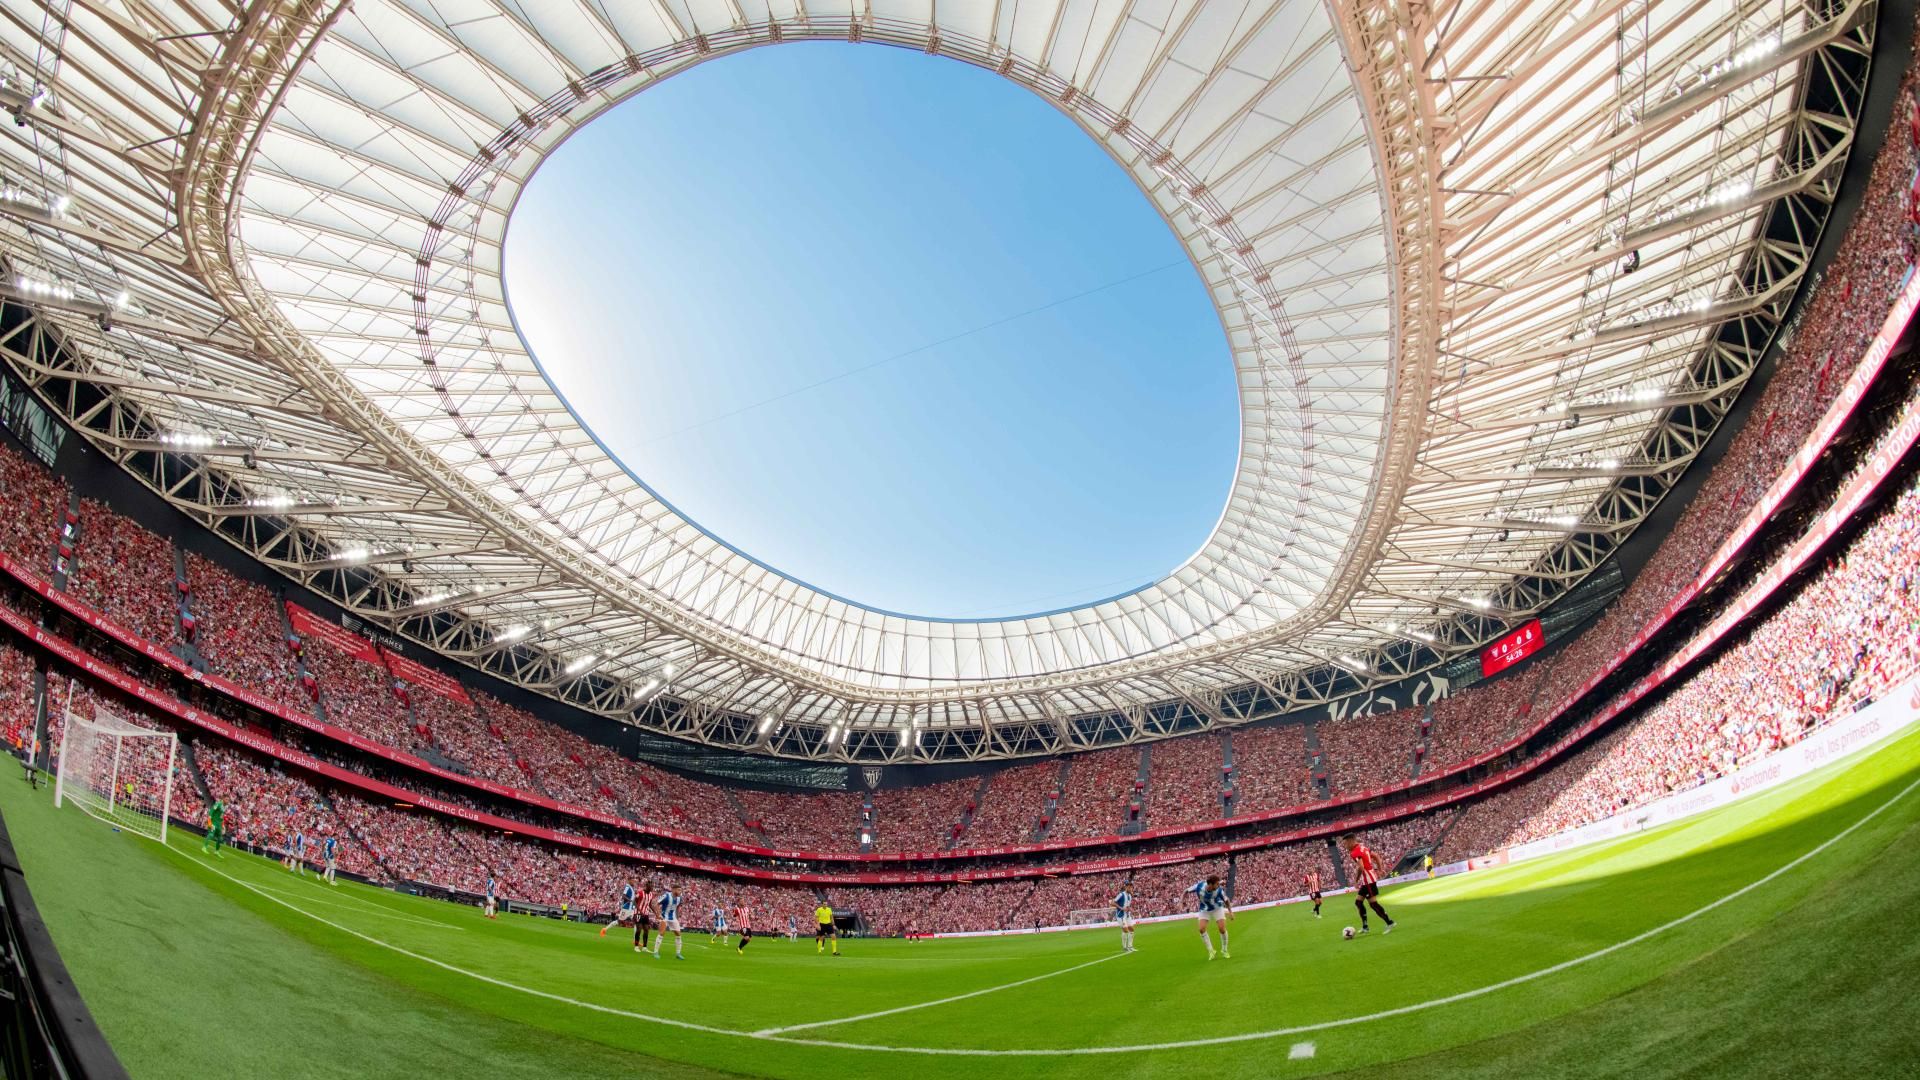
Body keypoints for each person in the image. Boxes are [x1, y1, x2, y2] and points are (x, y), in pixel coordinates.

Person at [1343, 835, 1396, 935]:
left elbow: (1361, 868)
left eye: (1345, 843)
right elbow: (1375, 856)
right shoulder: (1363, 847)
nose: (1345, 846)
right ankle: (1365, 927)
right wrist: (1380, 869)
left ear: (1350, 841)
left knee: (1373, 904)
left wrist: (1356, 880)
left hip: (1368, 881)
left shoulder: (1355, 852)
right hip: (1368, 880)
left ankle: (1390, 922)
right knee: (1358, 902)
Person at [1185, 874, 1233, 959]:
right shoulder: (1199, 886)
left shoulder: (1219, 890)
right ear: (1210, 884)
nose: (1219, 885)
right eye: (1217, 884)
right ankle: (1211, 951)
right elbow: (1186, 890)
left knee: (1222, 929)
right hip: (1204, 909)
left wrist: (1230, 912)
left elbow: (1226, 900)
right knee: (1201, 929)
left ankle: (1224, 950)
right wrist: (1181, 901)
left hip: (1217, 908)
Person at [648, 885, 685, 959]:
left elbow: (678, 907)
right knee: (662, 933)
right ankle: (655, 952)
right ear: (673, 890)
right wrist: (658, 914)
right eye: (678, 890)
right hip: (664, 917)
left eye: (680, 890)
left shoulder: (680, 898)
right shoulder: (666, 896)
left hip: (673, 918)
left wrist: (677, 917)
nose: (680, 892)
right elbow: (656, 904)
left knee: (678, 934)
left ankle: (678, 953)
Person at [630, 879, 657, 951]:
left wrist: (655, 912)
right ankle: (636, 946)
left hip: (646, 914)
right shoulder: (641, 893)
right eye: (650, 886)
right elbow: (634, 901)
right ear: (647, 886)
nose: (651, 887)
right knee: (638, 930)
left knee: (646, 930)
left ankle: (644, 947)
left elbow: (650, 904)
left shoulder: (651, 894)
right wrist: (639, 910)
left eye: (652, 886)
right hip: (638, 913)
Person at [1113, 883, 1137, 953]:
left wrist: (1132, 911)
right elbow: (1112, 903)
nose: (1131, 889)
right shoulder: (1121, 894)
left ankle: (1130, 946)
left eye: (1131, 888)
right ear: (1126, 887)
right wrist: (1121, 908)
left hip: (1127, 915)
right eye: (1129, 887)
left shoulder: (1130, 896)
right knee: (1126, 930)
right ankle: (1124, 947)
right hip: (1121, 915)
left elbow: (1128, 906)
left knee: (1132, 929)